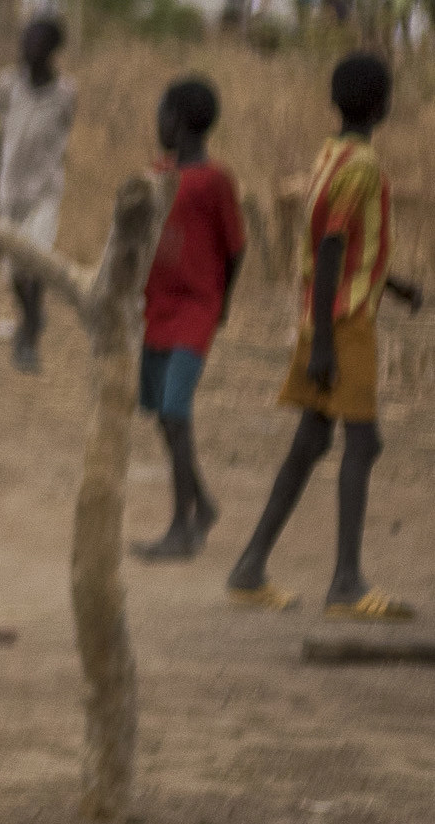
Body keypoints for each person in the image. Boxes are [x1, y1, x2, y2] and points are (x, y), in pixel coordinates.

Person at [224, 52, 422, 616]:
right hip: (345, 324)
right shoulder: (365, 167)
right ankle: (346, 583)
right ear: (385, 106)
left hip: (321, 315)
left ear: (334, 103)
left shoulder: (329, 157)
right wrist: (331, 347)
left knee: (311, 442)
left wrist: (399, 287)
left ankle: (248, 568)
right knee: (363, 443)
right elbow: (333, 246)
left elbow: (338, 247)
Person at [129, 77, 248, 564]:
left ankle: (182, 526)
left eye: (162, 111)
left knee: (176, 411)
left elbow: (236, 249)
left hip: (195, 311)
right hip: (156, 309)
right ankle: (203, 505)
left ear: (178, 119)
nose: (157, 121)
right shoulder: (159, 174)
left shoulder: (214, 181)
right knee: (161, 412)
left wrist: (222, 306)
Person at [0, 16, 82, 374]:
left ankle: (27, 338)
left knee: (36, 260)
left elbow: (61, 138)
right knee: (13, 269)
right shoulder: (7, 84)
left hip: (44, 191)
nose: (28, 50)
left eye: (37, 44)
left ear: (53, 51)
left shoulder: (65, 93)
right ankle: (32, 315)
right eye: (25, 42)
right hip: (8, 191)